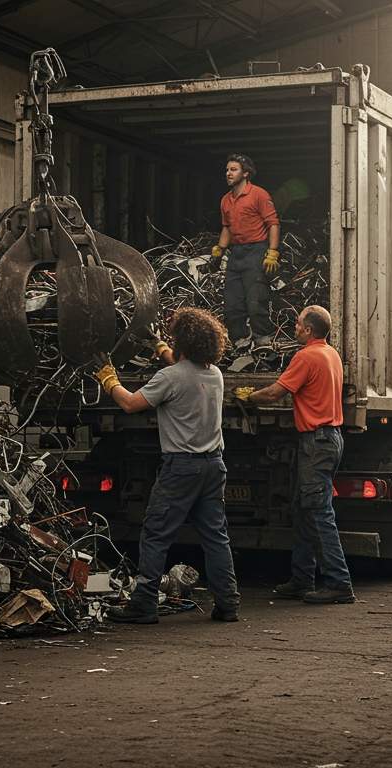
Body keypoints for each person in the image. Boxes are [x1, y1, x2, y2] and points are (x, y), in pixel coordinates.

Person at [91, 309, 241, 624]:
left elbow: (130, 404)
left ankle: (144, 605)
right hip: (214, 465)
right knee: (216, 536)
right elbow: (181, 368)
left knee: (156, 534)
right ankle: (228, 603)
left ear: (183, 342)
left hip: (181, 468)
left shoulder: (170, 378)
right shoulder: (214, 374)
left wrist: (109, 380)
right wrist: (159, 347)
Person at [234, 305, 354, 604]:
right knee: (303, 509)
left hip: (316, 441)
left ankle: (339, 583)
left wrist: (248, 397)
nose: (295, 327)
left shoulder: (306, 356)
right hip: (329, 439)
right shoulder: (331, 354)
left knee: (318, 512)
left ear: (309, 330)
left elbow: (276, 393)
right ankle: (302, 579)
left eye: (298, 324)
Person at [213, 153, 281, 352]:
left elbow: (273, 224)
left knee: (255, 300)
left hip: (256, 251)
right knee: (232, 304)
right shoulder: (226, 200)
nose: (228, 173)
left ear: (246, 173)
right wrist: (219, 249)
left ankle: (263, 342)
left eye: (233, 170)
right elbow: (227, 227)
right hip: (236, 254)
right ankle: (241, 343)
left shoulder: (259, 194)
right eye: (227, 170)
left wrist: (272, 252)